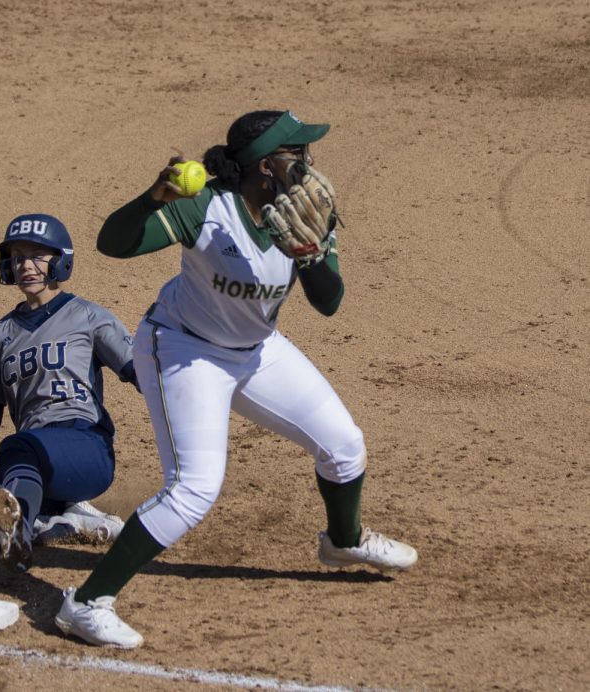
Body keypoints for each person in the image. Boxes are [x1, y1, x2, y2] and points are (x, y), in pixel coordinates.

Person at [54, 109, 418, 648]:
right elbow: (114, 243)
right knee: (194, 489)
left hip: (256, 351)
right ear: (266, 166)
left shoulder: (311, 211)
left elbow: (330, 301)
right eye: (297, 153)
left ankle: (343, 541)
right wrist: (155, 195)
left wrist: (311, 254)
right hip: (183, 349)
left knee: (344, 447)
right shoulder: (207, 207)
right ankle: (84, 604)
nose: (309, 162)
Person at [0, 213, 137, 573]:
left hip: (86, 448)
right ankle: (62, 519)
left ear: (60, 261)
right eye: (18, 257)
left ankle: (22, 533)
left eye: (38, 256)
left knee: (19, 446)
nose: (26, 265)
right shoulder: (0, 335)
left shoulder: (87, 316)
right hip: (29, 461)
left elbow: (139, 372)